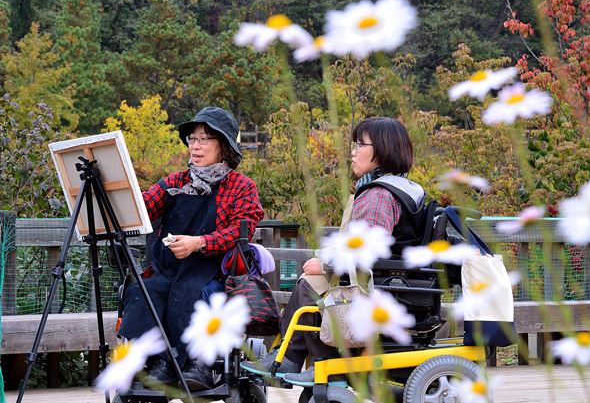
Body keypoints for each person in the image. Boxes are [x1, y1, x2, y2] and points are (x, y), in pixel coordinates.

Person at [241, 116, 425, 384]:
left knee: (310, 284)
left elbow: (367, 250)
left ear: (383, 149)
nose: (353, 152)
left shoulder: (378, 195)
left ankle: (318, 363)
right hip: (393, 279)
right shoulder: (404, 188)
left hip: (379, 285)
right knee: (311, 280)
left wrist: (326, 265)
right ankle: (289, 358)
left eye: (360, 145)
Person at [119, 106, 264, 390]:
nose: (195, 147)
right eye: (192, 140)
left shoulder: (242, 187)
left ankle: (198, 364)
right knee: (143, 291)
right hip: (172, 267)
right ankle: (158, 361)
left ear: (223, 145)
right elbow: (143, 207)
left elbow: (241, 230)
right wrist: (117, 194)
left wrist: (199, 243)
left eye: (204, 139)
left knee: (195, 292)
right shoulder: (176, 182)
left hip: (214, 269)